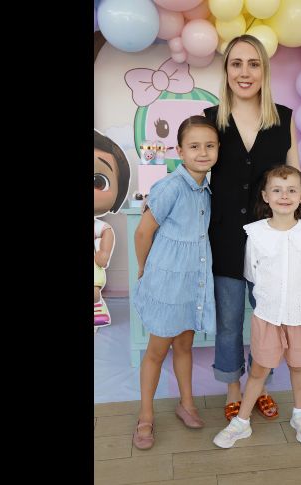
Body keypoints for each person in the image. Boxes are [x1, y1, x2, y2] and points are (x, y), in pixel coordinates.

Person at [203, 34, 301, 422]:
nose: (245, 72)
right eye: (236, 63)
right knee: (228, 323)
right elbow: (195, 171)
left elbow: (294, 173)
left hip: (273, 241)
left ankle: (261, 387)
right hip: (225, 238)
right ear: (226, 71)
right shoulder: (211, 119)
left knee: (270, 319)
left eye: (253, 64)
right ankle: (233, 390)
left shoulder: (283, 118)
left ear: (265, 71)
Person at [213, 165, 301, 448]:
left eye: (291, 190)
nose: (284, 196)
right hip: (267, 316)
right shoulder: (256, 234)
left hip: (300, 316)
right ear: (266, 196)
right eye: (277, 190)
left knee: (298, 367)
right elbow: (251, 272)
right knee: (259, 370)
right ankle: (241, 423)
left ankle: (300, 415)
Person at [130, 116, 219, 450]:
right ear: (179, 151)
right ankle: (145, 416)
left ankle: (187, 403)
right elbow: (143, 232)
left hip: (192, 283)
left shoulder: (207, 189)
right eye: (194, 146)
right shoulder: (170, 187)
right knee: (157, 350)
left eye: (210, 146)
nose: (202, 153)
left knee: (184, 345)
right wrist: (144, 268)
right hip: (166, 283)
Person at [94, 130, 131, 330]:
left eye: (98, 182)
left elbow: (106, 231)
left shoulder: (97, 225)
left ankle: (97, 308)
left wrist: (104, 252)